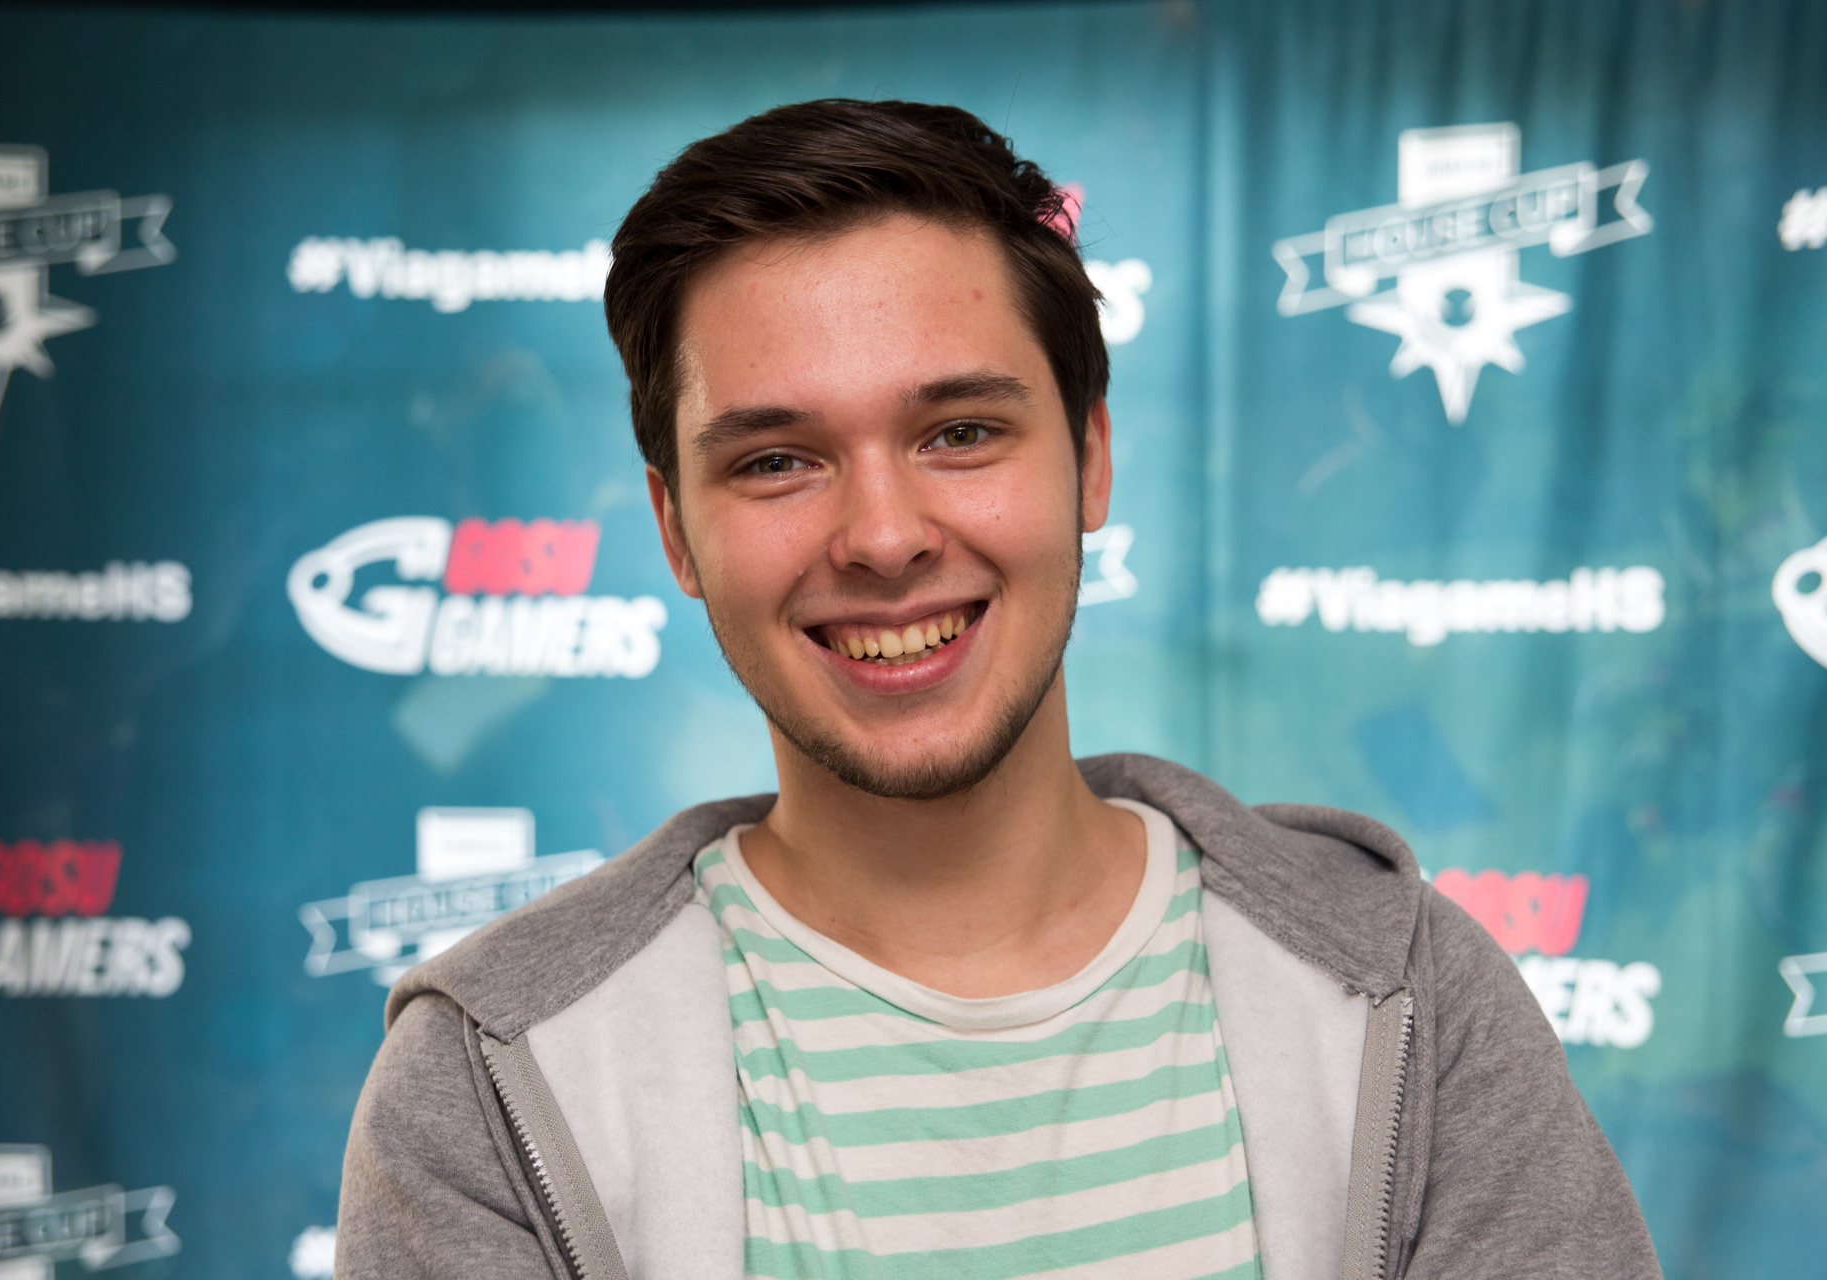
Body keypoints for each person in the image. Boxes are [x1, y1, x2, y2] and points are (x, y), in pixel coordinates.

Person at [334, 100, 1660, 1280]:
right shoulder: (485, 1082)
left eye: (960, 433)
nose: (883, 537)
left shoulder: (1416, 997)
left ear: (1091, 457)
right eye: (777, 461)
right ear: (676, 530)